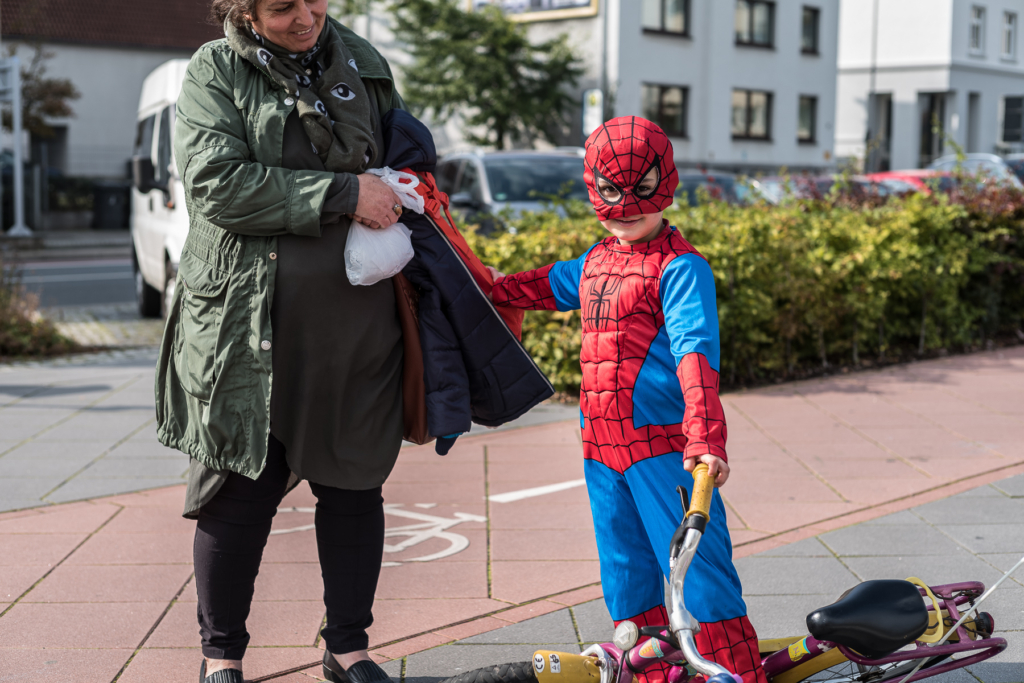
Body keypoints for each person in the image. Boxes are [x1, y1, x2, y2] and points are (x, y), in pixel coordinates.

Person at [155, 1, 408, 681]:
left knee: (354, 485)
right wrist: (344, 195)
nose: (304, 18)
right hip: (246, 326)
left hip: (355, 327)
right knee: (238, 490)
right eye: (280, 7)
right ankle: (221, 657)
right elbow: (217, 185)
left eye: (314, 0)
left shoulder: (361, 62)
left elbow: (402, 151)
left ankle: (347, 648)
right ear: (243, 9)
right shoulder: (215, 70)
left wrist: (408, 179)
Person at [487, 117, 767, 683]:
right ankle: (653, 673)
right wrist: (488, 284)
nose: (625, 206)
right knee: (625, 573)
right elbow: (544, 285)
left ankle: (736, 673)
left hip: (664, 449)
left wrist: (705, 437)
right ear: (594, 188)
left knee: (699, 574)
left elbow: (695, 354)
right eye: (611, 191)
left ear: (666, 182)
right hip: (601, 448)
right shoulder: (596, 261)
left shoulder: (680, 268)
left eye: (641, 188)